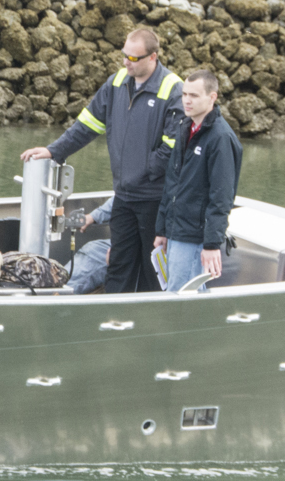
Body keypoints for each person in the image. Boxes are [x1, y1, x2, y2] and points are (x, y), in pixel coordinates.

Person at [20, 27, 182, 293]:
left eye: (133, 58)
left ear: (153, 57)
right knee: (119, 264)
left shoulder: (172, 89)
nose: (125, 62)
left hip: (154, 200)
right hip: (124, 197)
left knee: (150, 267)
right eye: (124, 55)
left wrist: (143, 173)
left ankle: (150, 323)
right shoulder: (117, 83)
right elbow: (87, 124)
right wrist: (54, 151)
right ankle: (113, 318)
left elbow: (173, 148)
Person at [155, 69, 242, 294]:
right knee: (180, 294)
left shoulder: (221, 138)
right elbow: (172, 184)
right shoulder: (185, 127)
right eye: (184, 94)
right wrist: (162, 229)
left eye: (194, 95)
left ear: (212, 97)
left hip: (194, 238)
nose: (186, 100)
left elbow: (221, 198)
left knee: (182, 297)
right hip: (176, 232)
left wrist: (212, 245)